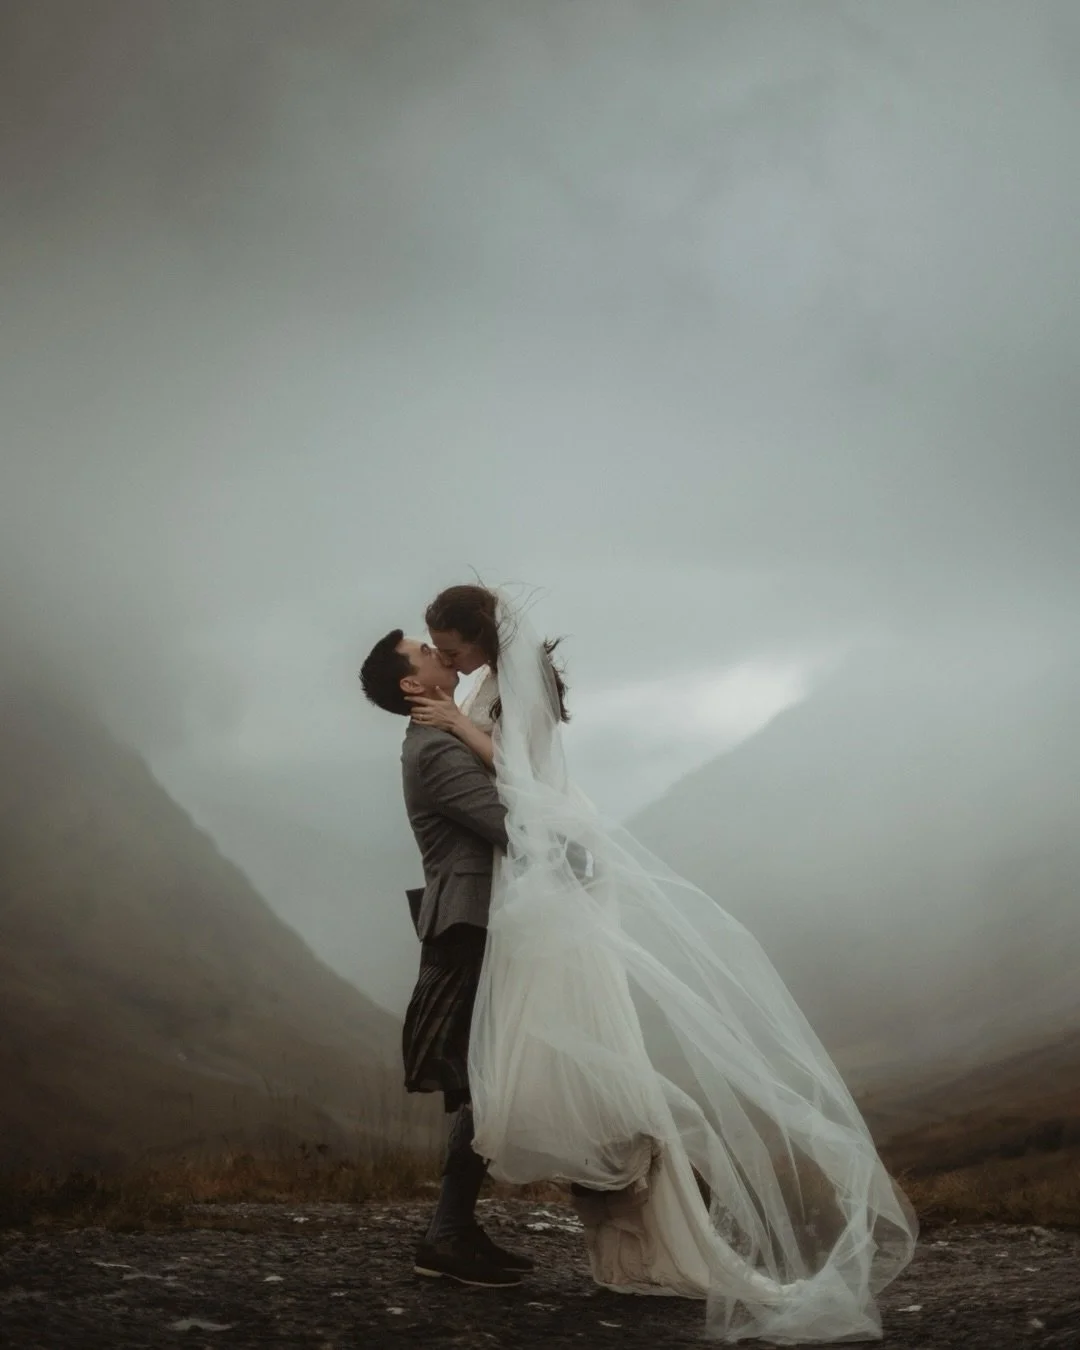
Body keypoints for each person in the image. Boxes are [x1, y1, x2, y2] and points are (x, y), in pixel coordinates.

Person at [405, 584, 918, 1344]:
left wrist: (454, 724)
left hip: (543, 886)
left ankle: (652, 1215)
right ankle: (619, 1221)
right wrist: (455, 715)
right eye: (434, 650)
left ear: (478, 635)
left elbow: (524, 780)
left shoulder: (519, 682)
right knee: (536, 1049)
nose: (443, 656)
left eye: (448, 645)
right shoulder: (483, 683)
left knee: (555, 1046)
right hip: (525, 887)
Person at [358, 630, 534, 1288]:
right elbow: (512, 826)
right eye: (425, 653)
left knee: (484, 1078)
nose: (438, 651)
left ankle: (452, 1229)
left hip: (477, 922)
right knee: (479, 1078)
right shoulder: (434, 749)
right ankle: (448, 1232)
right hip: (467, 926)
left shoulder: (443, 737)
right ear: (413, 684)